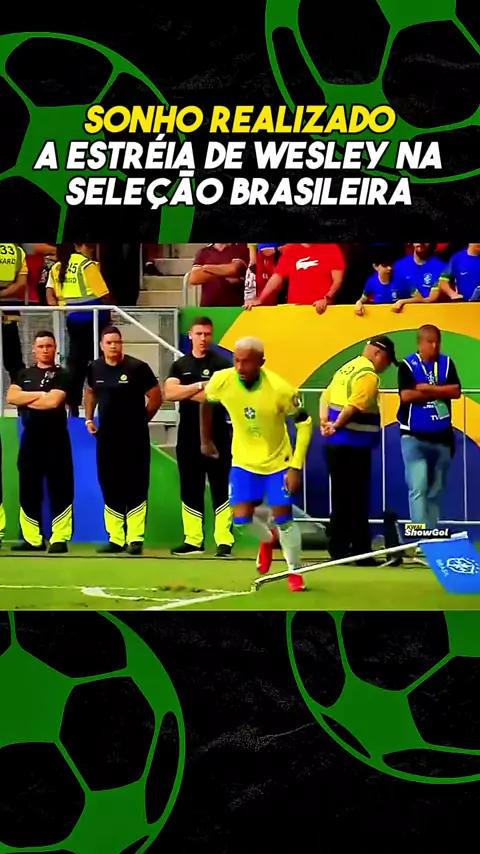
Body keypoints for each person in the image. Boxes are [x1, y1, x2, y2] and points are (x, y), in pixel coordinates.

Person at [200, 337, 313, 592]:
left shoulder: (281, 389)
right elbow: (206, 403)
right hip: (243, 460)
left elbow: (305, 424)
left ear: (261, 362)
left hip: (278, 462)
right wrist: (205, 440)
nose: (240, 367)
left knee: (284, 519)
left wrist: (295, 466)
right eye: (236, 360)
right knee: (241, 520)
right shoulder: (222, 380)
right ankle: (268, 539)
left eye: (247, 362)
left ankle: (294, 571)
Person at [320, 336, 398, 564]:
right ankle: (361, 552)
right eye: (387, 361)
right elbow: (355, 405)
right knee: (357, 500)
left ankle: (338, 549)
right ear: (378, 354)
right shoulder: (368, 375)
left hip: (336, 445)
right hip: (353, 445)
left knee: (341, 499)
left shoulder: (347, 368)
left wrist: (325, 422)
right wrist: (336, 425)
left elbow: (325, 396)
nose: (385, 367)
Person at [85, 326, 162, 555]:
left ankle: (135, 539)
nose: (113, 346)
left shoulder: (137, 368)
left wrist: (141, 420)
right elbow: (90, 392)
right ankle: (116, 539)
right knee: (110, 484)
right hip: (107, 437)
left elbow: (156, 397)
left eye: (117, 342)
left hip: (135, 438)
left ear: (121, 344)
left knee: (136, 484)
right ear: (102, 345)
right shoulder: (94, 367)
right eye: (109, 342)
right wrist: (89, 418)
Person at [164, 316, 234, 557]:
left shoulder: (223, 364)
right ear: (190, 336)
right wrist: (200, 386)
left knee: (220, 486)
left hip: (218, 435)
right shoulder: (180, 365)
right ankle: (193, 540)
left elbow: (216, 396)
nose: (203, 338)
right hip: (188, 436)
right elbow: (169, 393)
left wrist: (189, 391)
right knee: (190, 486)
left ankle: (224, 540)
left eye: (207, 334)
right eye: (199, 334)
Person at [6, 331, 73, 553]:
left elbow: (53, 402)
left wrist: (27, 399)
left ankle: (59, 538)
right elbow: (11, 397)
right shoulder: (23, 374)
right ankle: (32, 539)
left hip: (56, 438)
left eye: (49, 346)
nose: (45, 350)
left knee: (60, 487)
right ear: (34, 349)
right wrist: (41, 395)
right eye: (41, 346)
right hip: (30, 438)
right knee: (29, 488)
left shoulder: (63, 374)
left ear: (55, 349)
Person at [397, 325, 461, 529]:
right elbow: (406, 396)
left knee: (436, 489)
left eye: (437, 342)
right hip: (413, 437)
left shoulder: (447, 363)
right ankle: (420, 536)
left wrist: (426, 388)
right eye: (430, 342)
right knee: (418, 487)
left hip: (442, 437)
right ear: (420, 343)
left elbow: (456, 391)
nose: (434, 347)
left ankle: (432, 535)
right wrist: (441, 390)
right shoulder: (407, 365)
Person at [46, 242, 111, 416]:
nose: (92, 249)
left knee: (76, 366)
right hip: (94, 321)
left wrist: (60, 305)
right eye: (89, 246)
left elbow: (50, 293)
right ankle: (103, 404)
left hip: (73, 321)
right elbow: (104, 294)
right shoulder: (86, 265)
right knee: (102, 364)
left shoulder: (57, 267)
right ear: (78, 246)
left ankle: (73, 406)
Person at [245, 242, 345, 314]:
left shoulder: (331, 248)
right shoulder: (291, 250)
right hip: (295, 311)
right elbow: (276, 277)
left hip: (323, 311)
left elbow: (337, 281)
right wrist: (261, 299)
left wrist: (326, 299)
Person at [0, 242, 27, 382]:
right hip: (9, 307)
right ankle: (18, 390)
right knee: (13, 358)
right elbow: (21, 283)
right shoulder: (18, 252)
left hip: (7, 308)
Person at [391, 243, 444, 312]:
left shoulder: (441, 267)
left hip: (431, 312)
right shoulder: (398, 266)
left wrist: (403, 301)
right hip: (403, 312)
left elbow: (431, 299)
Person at [354, 249, 397, 313]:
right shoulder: (371, 282)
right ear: (375, 267)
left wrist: (401, 302)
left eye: (391, 265)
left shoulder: (400, 280)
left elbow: (414, 298)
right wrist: (359, 302)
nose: (389, 268)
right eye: (385, 265)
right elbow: (364, 298)